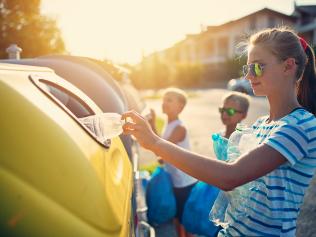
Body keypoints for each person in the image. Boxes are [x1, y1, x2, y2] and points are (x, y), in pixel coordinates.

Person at [122, 27, 316, 236]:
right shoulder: (261, 124)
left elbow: (230, 177)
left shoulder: (301, 125)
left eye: (258, 68)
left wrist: (155, 143)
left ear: (288, 66)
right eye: (247, 68)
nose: (249, 76)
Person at [147, 88, 197, 237]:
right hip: (175, 181)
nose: (164, 102)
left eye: (169, 100)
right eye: (163, 99)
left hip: (184, 183)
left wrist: (151, 125)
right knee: (177, 218)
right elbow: (160, 149)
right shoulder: (168, 126)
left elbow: (160, 150)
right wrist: (152, 124)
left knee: (186, 221)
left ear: (180, 107)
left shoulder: (179, 128)